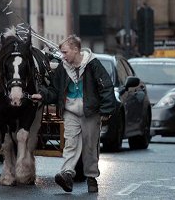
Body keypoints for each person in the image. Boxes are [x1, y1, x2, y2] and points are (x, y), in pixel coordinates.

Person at [31, 35, 115, 193]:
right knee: (70, 144)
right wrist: (42, 95)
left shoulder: (93, 64)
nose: (62, 56)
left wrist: (106, 110)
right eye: (62, 53)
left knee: (90, 146)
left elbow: (106, 86)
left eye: (65, 52)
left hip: (90, 111)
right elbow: (55, 90)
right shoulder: (63, 68)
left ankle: (91, 177)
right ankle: (67, 175)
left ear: (76, 50)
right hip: (70, 111)